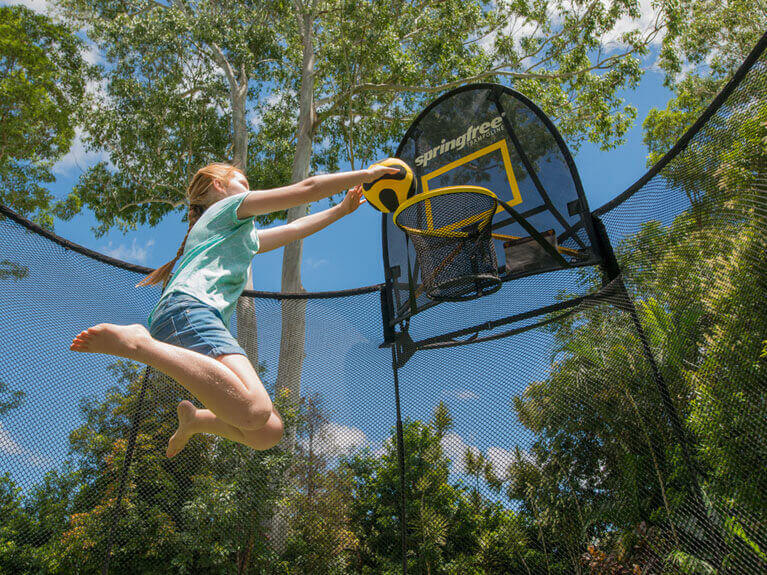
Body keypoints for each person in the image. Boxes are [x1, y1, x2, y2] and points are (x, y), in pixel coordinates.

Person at [70, 162, 396, 457]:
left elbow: (295, 230)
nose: (248, 186)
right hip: (190, 310)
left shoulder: (239, 234)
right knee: (254, 410)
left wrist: (340, 211)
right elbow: (306, 189)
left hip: (185, 318)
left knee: (268, 432)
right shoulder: (227, 209)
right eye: (243, 180)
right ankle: (139, 345)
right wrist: (367, 175)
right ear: (219, 185)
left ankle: (198, 421)